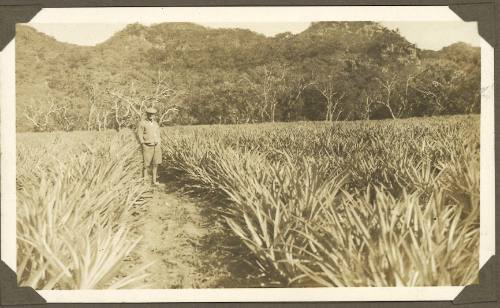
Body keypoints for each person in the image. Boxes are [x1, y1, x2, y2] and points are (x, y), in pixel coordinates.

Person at [137, 107, 162, 185]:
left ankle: (154, 181)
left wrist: (159, 142)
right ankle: (144, 181)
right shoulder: (142, 123)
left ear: (154, 115)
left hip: (156, 146)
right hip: (147, 146)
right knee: (146, 165)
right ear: (147, 114)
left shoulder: (155, 123)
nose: (151, 115)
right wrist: (143, 143)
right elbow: (139, 134)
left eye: (153, 114)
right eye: (150, 114)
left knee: (155, 164)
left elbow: (158, 134)